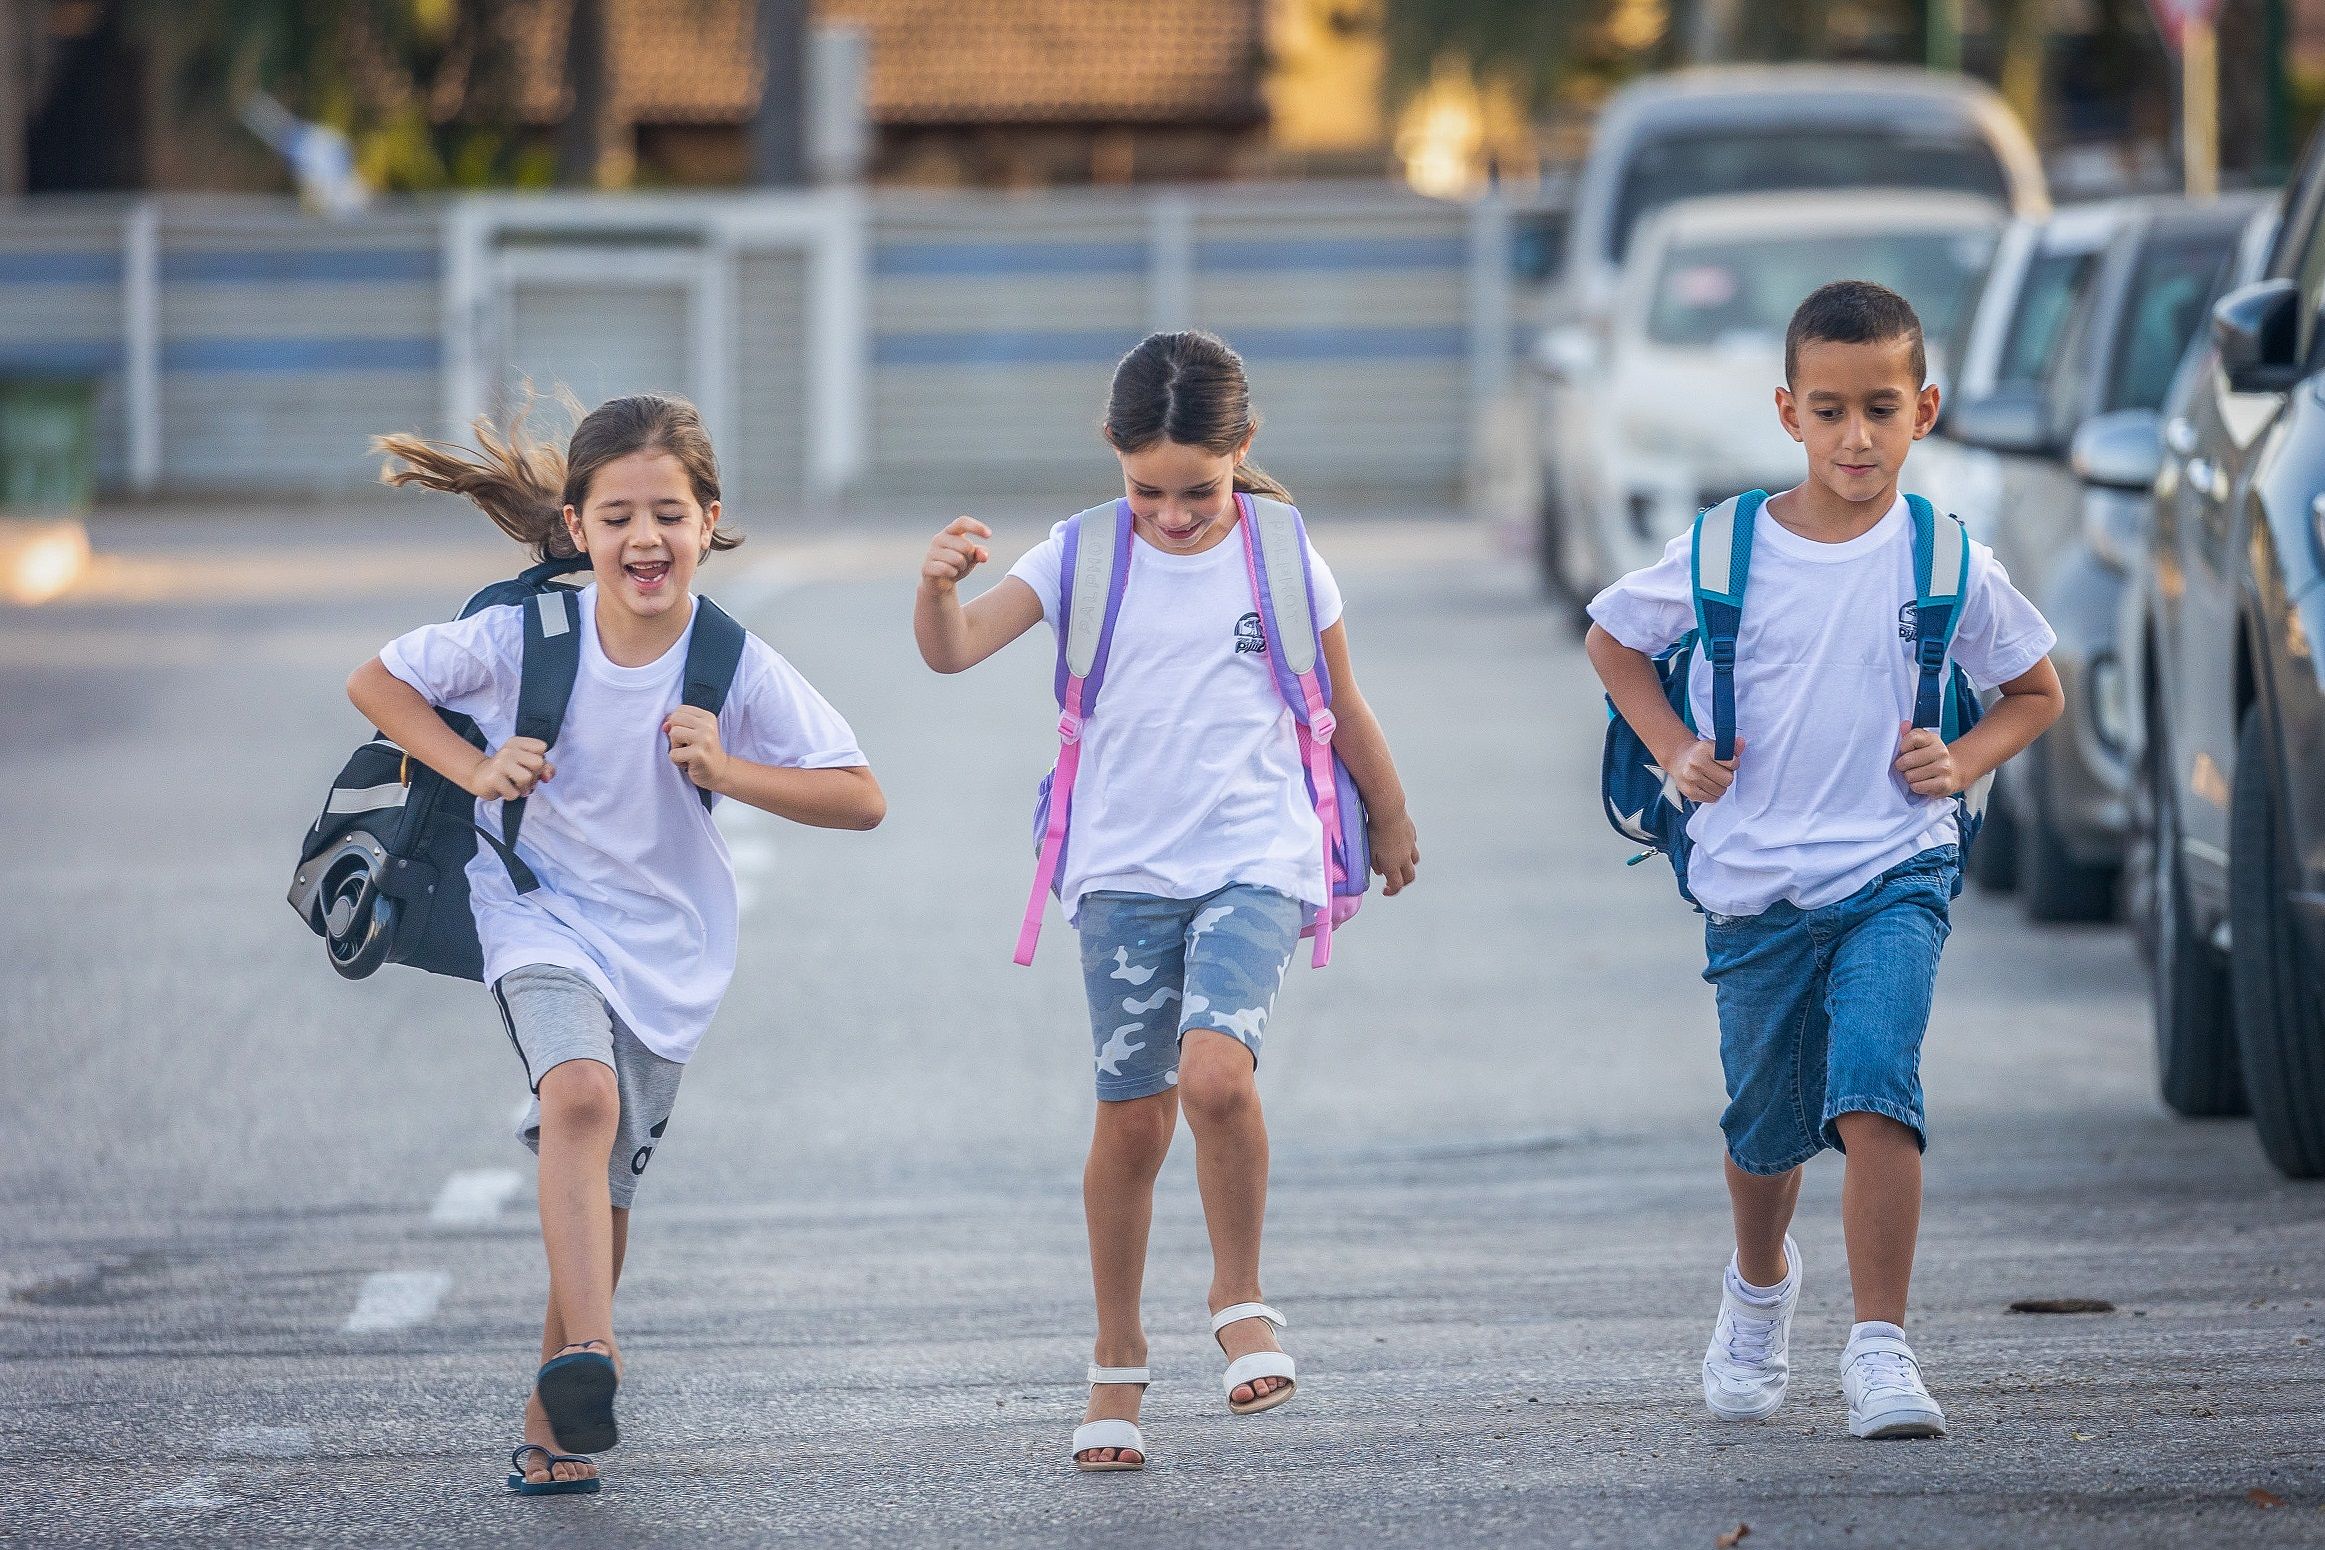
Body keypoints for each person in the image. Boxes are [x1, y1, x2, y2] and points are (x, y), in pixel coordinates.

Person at [347, 394, 885, 1493]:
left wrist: (730, 769)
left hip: (670, 945)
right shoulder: (525, 635)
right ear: (579, 526)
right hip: (535, 908)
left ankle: (555, 1418)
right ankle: (594, 1347)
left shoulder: (730, 658)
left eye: (670, 514)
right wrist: (473, 767)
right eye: (621, 515)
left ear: (708, 521)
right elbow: (379, 680)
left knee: (610, 1182)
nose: (647, 537)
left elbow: (861, 795)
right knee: (578, 1100)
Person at [912, 330, 1420, 1471]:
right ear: (1112, 453)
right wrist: (935, 590)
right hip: (1121, 872)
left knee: (1216, 1073)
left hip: (1255, 855)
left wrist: (1388, 814)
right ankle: (1116, 1355)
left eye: (1201, 489)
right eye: (1150, 489)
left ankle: (1240, 1297)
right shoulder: (1082, 554)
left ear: (1244, 450)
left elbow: (1341, 699)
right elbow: (956, 651)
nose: (1176, 514)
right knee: (1133, 1118)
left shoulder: (1284, 552)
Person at [1584, 282, 2063, 1439]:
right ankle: (1758, 1288)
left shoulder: (1947, 558)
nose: (1858, 437)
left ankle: (1881, 1347)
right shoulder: (1725, 547)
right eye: (1834, 410)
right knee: (1764, 1125)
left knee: (1874, 1088)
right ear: (1790, 411)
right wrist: (1677, 751)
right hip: (1752, 880)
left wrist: (1962, 755)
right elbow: (1613, 638)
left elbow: (2037, 689)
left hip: (1895, 865)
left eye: (1882, 409)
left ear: (1925, 410)